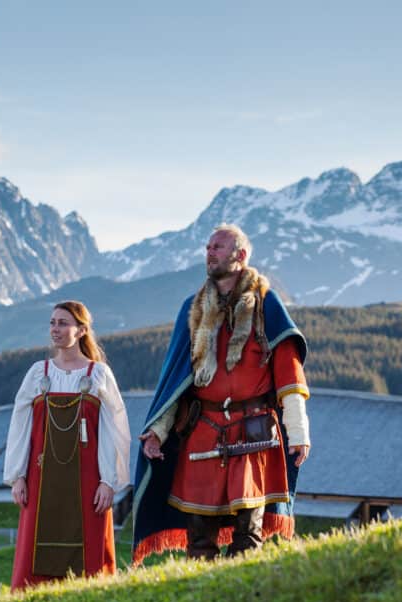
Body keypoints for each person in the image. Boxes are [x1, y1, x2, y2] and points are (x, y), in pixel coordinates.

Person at [132, 224, 310, 563]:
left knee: (248, 530)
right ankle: (199, 589)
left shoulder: (266, 304)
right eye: (208, 247)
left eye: (218, 247)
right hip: (202, 429)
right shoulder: (194, 308)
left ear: (240, 255)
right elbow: (177, 379)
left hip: (253, 431)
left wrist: (298, 431)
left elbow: (289, 373)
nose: (209, 252)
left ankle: (243, 588)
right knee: (199, 533)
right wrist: (158, 431)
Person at [4, 300, 131, 591]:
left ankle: (91, 595)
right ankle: (31, 598)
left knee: (90, 553)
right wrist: (18, 476)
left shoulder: (98, 374)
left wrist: (108, 481)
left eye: (63, 323)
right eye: (52, 323)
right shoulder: (38, 373)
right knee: (35, 548)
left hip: (88, 479)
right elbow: (20, 426)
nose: (55, 329)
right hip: (40, 478)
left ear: (81, 330)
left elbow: (114, 431)